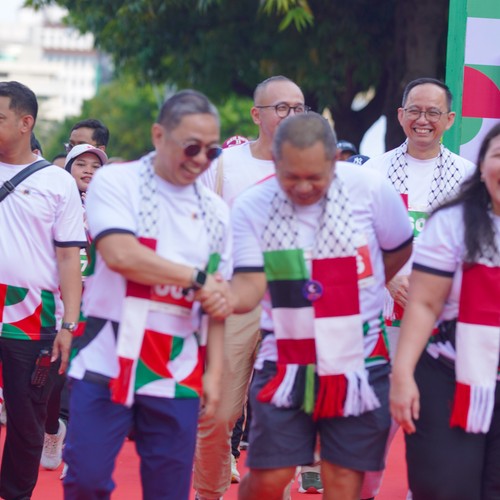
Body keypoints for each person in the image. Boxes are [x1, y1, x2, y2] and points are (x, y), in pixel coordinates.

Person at [230, 112, 413, 500]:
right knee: (268, 478)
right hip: (285, 363)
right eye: (290, 176)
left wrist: (363, 289)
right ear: (275, 162)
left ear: (334, 161)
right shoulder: (251, 206)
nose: (302, 187)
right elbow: (247, 285)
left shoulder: (370, 189)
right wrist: (221, 296)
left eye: (314, 177)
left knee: (343, 481)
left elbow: (398, 248)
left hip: (359, 361)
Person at [63, 89, 234, 500]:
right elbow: (121, 254)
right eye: (190, 147)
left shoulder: (216, 212)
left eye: (211, 151)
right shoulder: (117, 181)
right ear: (159, 135)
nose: (200, 159)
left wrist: (214, 375)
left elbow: (217, 301)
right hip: (106, 354)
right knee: (86, 479)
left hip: (177, 365)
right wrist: (196, 278)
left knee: (168, 491)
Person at [195, 75, 311, 499]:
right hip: (236, 298)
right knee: (219, 411)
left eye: (298, 108)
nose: (291, 115)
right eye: (281, 107)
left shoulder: (315, 165)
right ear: (256, 114)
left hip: (294, 303)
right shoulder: (223, 164)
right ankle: (208, 491)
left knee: (282, 413)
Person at [361, 77, 475, 499]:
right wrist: (389, 278)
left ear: (450, 119)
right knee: (375, 424)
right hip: (383, 316)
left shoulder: (469, 178)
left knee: (436, 427)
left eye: (432, 112)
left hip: (443, 323)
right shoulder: (372, 173)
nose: (422, 120)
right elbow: (354, 239)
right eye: (414, 110)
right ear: (400, 115)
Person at [390, 122, 500, 500]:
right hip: (449, 374)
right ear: (481, 167)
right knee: (445, 488)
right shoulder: (452, 222)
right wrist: (403, 374)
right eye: (499, 156)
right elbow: (424, 303)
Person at [0, 80, 85, 499]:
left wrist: (69, 325)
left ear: (25, 122)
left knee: (26, 419)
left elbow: (69, 258)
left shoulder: (57, 182)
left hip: (33, 313)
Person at [40, 144, 108, 473]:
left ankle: (77, 451)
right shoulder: (54, 202)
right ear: (67, 169)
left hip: (95, 305)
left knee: (87, 381)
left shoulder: (110, 207)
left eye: (96, 166)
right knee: (53, 382)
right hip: (58, 303)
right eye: (81, 164)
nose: (88, 171)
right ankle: (53, 430)